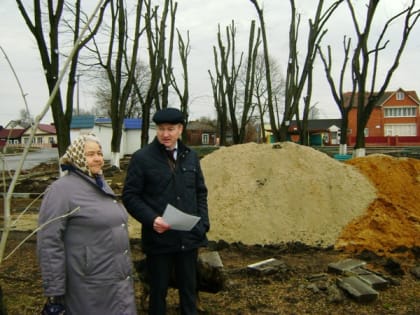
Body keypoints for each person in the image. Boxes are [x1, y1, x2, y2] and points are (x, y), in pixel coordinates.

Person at [37, 133, 137, 315]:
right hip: (87, 286)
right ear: (77, 157)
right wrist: (54, 292)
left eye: (99, 153)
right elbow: (49, 242)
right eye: (91, 154)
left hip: (116, 281)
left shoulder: (100, 185)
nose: (98, 158)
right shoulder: (61, 190)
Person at [122, 108, 210, 315]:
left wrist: (203, 223)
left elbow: (200, 192)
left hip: (188, 238)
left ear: (180, 129)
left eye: (171, 129)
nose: (166, 134)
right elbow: (130, 196)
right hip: (158, 239)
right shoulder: (142, 158)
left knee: (189, 291)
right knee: (158, 292)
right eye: (161, 129)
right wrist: (152, 219)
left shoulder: (191, 157)